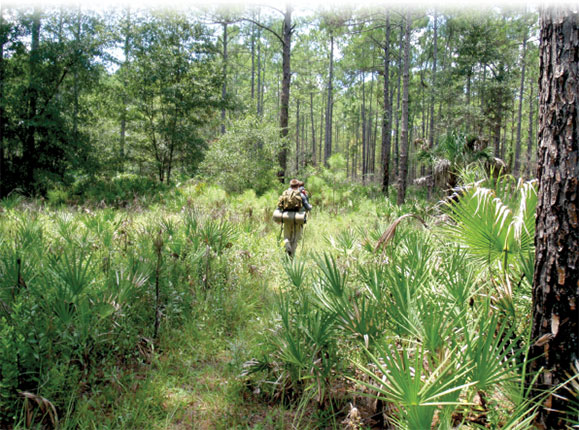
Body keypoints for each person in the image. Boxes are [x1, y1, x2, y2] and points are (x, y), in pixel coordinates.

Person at [278, 179, 311, 258]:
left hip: (286, 218)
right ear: (298, 186)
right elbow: (308, 207)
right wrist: (310, 207)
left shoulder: (285, 193)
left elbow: (279, 206)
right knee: (295, 238)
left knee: (286, 237)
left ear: (290, 185)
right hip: (297, 219)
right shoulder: (300, 194)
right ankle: (291, 256)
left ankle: (287, 245)